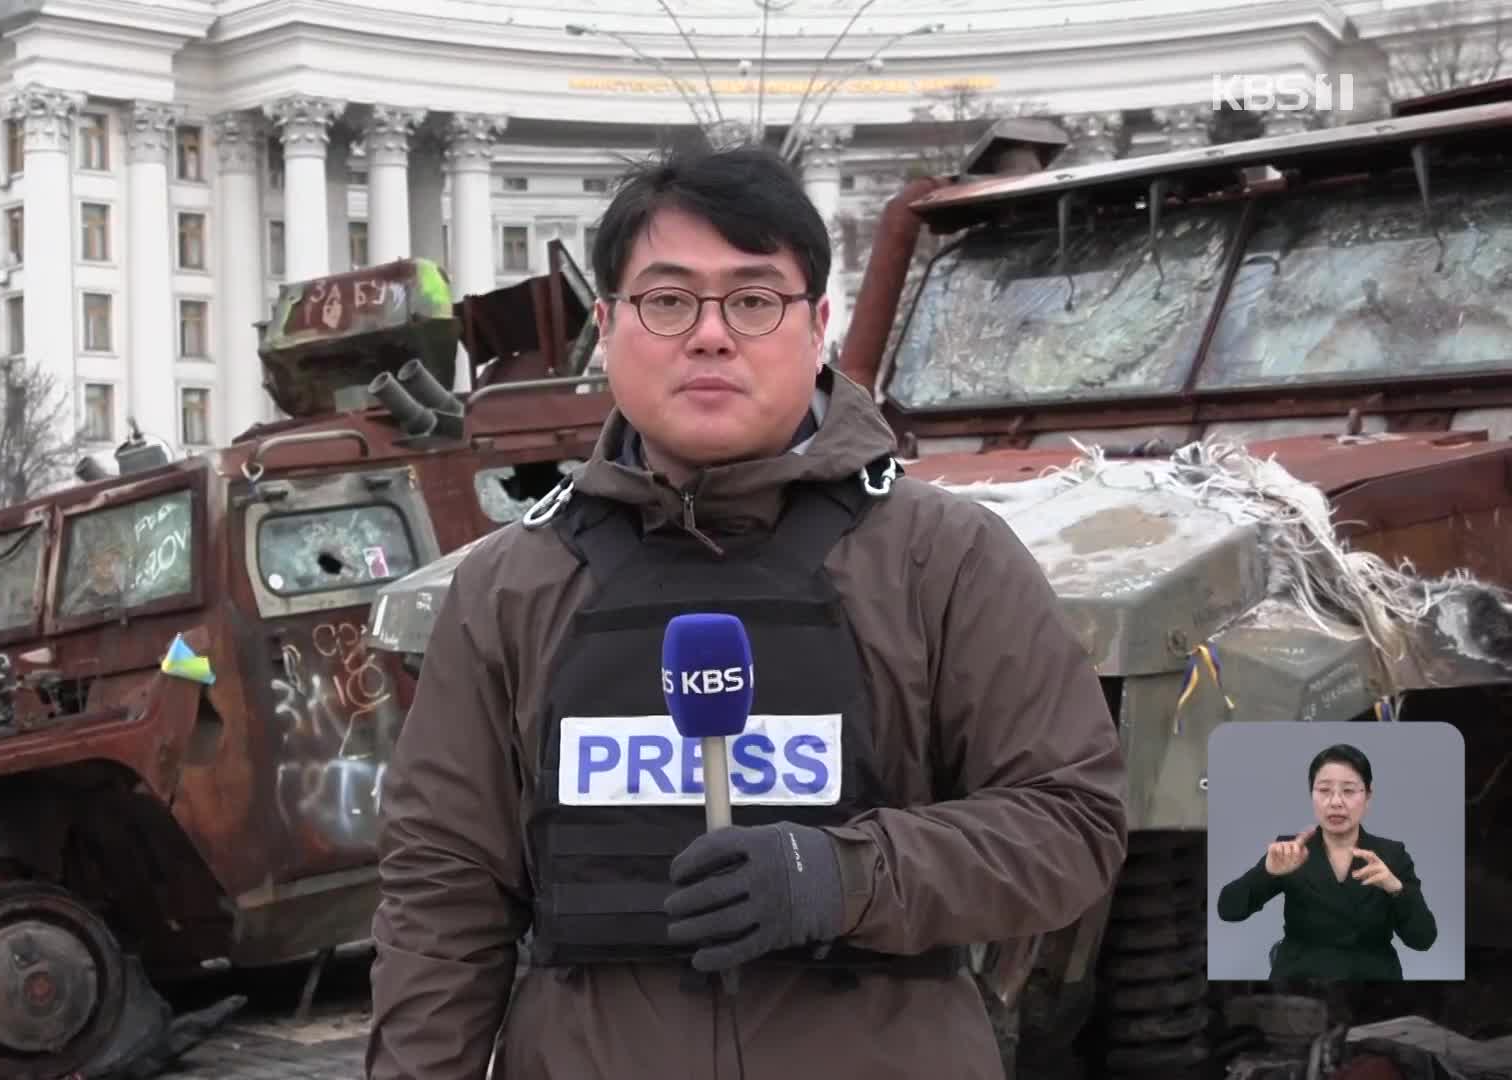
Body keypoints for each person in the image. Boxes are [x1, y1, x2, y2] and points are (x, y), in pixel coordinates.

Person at [365, 144, 1130, 1080]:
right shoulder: (510, 587)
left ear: (818, 326)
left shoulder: (945, 558)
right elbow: (442, 894)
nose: (712, 335)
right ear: (606, 326)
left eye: (754, 299)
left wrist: (843, 877)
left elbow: (1071, 824)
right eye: (669, 299)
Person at [1217, 743, 1436, 981]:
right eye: (1324, 790)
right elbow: (1228, 909)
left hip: (1372, 981)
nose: (1335, 802)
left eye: (1349, 791)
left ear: (1368, 796)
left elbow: (1423, 939)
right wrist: (1267, 873)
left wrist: (1396, 889)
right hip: (1300, 978)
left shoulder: (1391, 854)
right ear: (1312, 794)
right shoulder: (1291, 850)